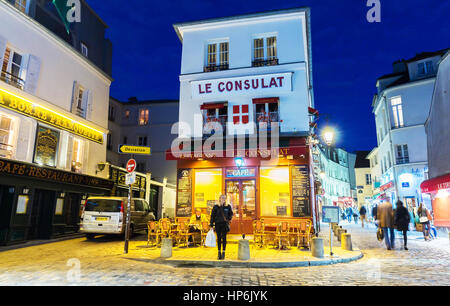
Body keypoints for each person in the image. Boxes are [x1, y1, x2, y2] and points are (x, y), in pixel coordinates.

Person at [210, 195, 233, 260]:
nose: (224, 199)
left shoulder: (228, 206)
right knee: (219, 238)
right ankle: (219, 252)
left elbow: (231, 214)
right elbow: (212, 216)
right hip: (217, 224)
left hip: (224, 224)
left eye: (225, 198)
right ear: (219, 199)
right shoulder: (216, 207)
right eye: (222, 198)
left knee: (224, 238)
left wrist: (228, 219)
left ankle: (223, 252)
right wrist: (211, 225)